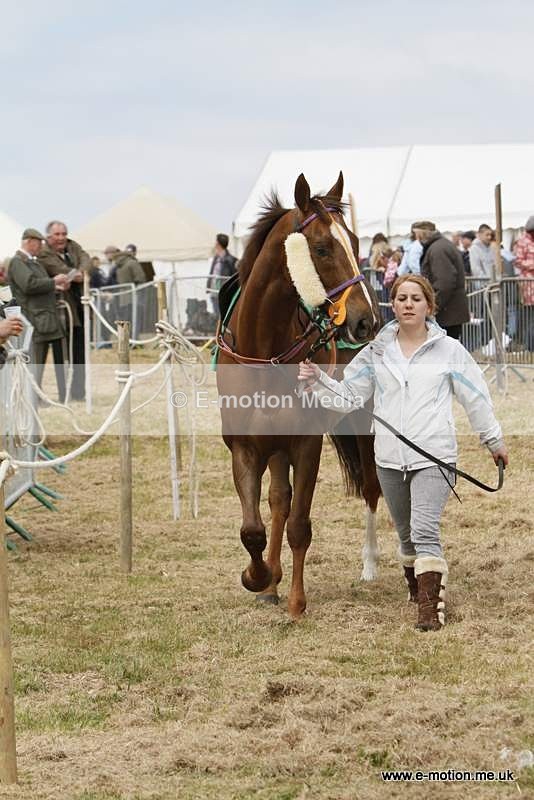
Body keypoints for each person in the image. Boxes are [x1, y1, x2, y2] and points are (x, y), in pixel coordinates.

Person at [298, 275, 508, 632]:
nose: (408, 304)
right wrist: (318, 379)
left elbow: (476, 397)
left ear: (429, 306)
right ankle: (417, 588)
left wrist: (494, 440)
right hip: (389, 460)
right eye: (401, 299)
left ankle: (430, 610)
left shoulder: (450, 351)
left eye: (416, 298)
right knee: (407, 535)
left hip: (434, 457)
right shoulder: (376, 352)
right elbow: (348, 397)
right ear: (392, 306)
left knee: (425, 530)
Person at [8, 229, 69, 401]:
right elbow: (28, 285)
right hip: (35, 319)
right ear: (29, 242)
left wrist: (55, 287)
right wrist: (53, 281)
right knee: (35, 363)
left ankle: (56, 396)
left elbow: (38, 285)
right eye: (39, 242)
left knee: (48, 362)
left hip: (45, 318)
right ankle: (32, 397)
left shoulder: (32, 262)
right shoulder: (18, 262)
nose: (41, 246)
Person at [38, 220, 91, 401]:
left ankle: (79, 393)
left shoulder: (73, 246)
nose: (61, 238)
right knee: (62, 356)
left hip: (79, 309)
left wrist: (80, 273)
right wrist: (77, 274)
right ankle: (65, 394)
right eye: (57, 235)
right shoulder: (44, 254)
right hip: (59, 312)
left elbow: (86, 260)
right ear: (48, 236)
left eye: (63, 234)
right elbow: (60, 270)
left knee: (79, 354)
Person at [417, 221, 470, 340]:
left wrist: (433, 306)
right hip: (450, 311)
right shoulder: (441, 245)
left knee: (444, 354)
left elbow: (444, 283)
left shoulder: (438, 249)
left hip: (447, 313)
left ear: (421, 234)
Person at [513, 215, 534, 351]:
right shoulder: (522, 241)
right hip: (529, 288)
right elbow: (518, 261)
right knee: (530, 319)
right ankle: (529, 347)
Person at [207, 233, 238, 315]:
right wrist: (208, 286)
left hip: (224, 294)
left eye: (216, 242)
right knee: (216, 316)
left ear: (218, 244)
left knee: (224, 315)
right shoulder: (215, 258)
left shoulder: (231, 260)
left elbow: (234, 277)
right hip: (214, 293)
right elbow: (212, 272)